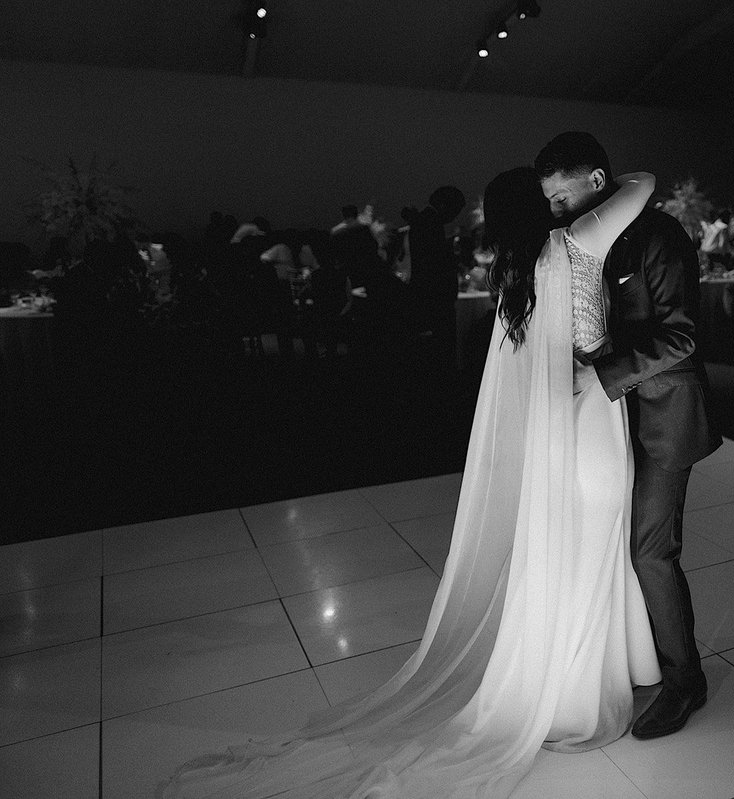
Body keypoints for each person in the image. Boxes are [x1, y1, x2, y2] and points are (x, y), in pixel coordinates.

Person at [160, 164, 662, 799]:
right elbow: (643, 183)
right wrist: (593, 188)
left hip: (546, 429)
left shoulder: (511, 271)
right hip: (590, 416)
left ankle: (565, 671)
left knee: (560, 552)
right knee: (596, 543)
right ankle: (581, 690)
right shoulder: (575, 242)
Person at [536, 131, 722, 740]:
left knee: (651, 551)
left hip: (663, 419)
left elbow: (683, 337)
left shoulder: (660, 237)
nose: (556, 215)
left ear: (596, 182)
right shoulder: (595, 238)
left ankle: (684, 682)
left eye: (562, 200)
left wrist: (599, 375)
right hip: (612, 422)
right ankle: (637, 660)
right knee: (613, 543)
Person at [404, 186, 467, 362]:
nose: (454, 216)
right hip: (435, 300)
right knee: (440, 351)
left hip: (430, 298)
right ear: (443, 204)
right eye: (454, 210)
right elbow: (433, 265)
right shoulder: (430, 223)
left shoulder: (424, 220)